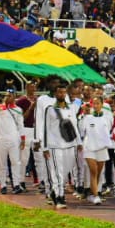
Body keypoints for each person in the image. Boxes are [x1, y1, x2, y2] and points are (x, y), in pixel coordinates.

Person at [35, 81, 81, 209]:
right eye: (60, 92)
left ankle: (55, 192)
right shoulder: (49, 109)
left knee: (65, 172)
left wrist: (79, 142)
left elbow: (75, 126)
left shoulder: (71, 108)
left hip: (70, 145)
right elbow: (45, 129)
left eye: (64, 92)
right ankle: (60, 197)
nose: (62, 94)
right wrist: (44, 147)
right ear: (55, 94)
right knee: (57, 172)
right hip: (54, 145)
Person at [79, 96, 113, 205]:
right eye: (94, 103)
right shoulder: (87, 117)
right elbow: (81, 130)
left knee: (98, 173)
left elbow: (108, 131)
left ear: (102, 104)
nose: (96, 105)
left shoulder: (107, 117)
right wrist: (84, 114)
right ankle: (96, 196)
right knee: (93, 172)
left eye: (98, 103)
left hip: (102, 149)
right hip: (89, 148)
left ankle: (92, 193)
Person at [0, 92, 26, 195]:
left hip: (14, 139)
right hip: (1, 139)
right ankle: (3, 185)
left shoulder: (18, 109)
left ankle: (16, 184)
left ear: (14, 97)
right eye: (6, 95)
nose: (7, 97)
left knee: (15, 162)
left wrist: (23, 139)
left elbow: (21, 125)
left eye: (10, 96)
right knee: (1, 163)